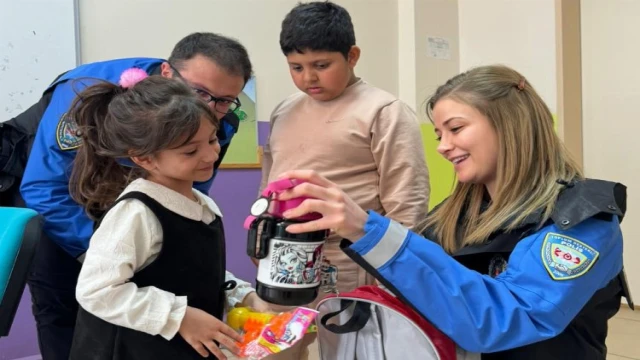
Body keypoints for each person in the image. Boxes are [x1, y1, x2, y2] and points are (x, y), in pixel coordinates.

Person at [274, 65, 632, 359]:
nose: (444, 147)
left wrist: (367, 228)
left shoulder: (582, 220)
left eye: (456, 129)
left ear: (510, 123)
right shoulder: (451, 216)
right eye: (439, 135)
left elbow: (504, 319)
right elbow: (421, 295)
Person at [15, 32, 253, 360]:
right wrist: (116, 254)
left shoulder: (213, 122)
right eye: (199, 92)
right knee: (64, 313)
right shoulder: (87, 93)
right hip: (61, 207)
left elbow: (187, 215)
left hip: (132, 216)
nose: (209, 108)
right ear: (168, 73)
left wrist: (232, 291)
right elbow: (44, 189)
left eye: (224, 101)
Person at [260, 2, 430, 357]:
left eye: (322, 65)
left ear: (352, 56)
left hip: (353, 267)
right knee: (279, 349)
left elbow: (407, 203)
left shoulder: (384, 111)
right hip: (285, 261)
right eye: (296, 67)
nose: (309, 77)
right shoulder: (284, 110)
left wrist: (396, 275)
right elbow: (270, 186)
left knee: (348, 351)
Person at [66, 73, 269, 360]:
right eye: (190, 151)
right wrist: (181, 317)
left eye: (212, 139)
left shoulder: (203, 203)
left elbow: (194, 271)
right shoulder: (135, 213)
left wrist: (241, 295)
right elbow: (96, 291)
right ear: (144, 158)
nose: (211, 155)